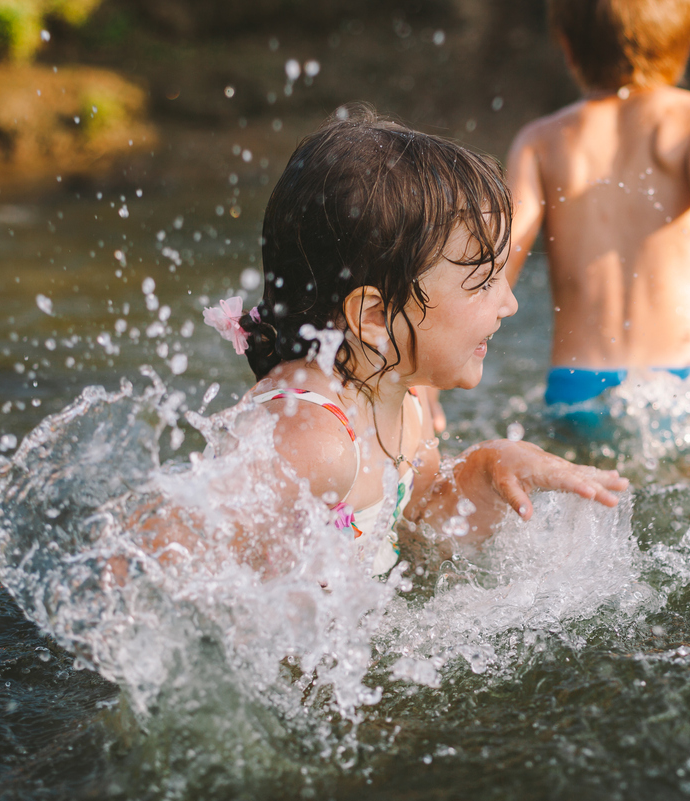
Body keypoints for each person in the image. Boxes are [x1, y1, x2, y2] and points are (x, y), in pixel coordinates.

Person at [203, 106, 628, 576]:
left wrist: (490, 468)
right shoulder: (310, 439)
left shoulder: (403, 400)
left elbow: (422, 516)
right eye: (484, 282)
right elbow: (177, 535)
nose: (510, 305)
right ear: (376, 316)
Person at [503, 0, 690, 415]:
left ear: (566, 45)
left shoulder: (540, 140)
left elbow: (501, 252)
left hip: (576, 389)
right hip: (682, 386)